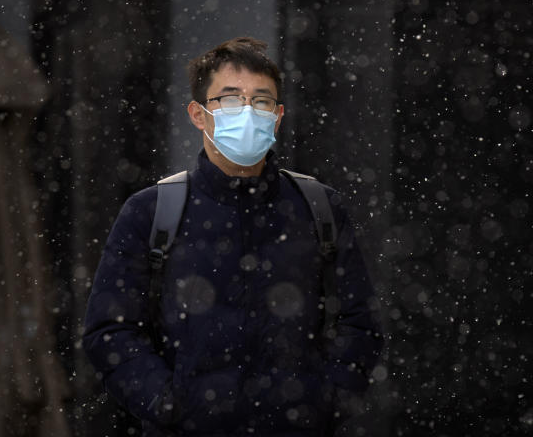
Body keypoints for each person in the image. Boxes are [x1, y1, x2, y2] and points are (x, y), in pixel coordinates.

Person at [82, 37, 382, 436]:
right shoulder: (152, 211)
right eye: (229, 99)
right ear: (198, 114)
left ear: (277, 117)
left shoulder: (317, 208)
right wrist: (168, 402)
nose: (247, 112)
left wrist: (323, 401)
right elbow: (110, 331)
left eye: (261, 101)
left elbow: (359, 323)